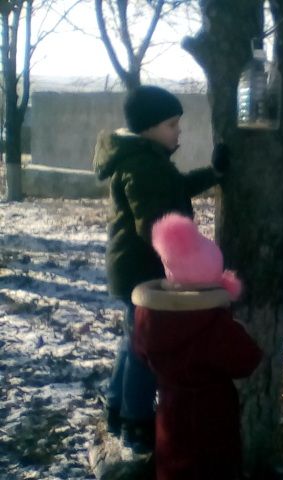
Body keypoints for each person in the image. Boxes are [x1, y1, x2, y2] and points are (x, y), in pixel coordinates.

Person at [93, 85, 229, 452]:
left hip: (133, 268)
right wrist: (184, 260)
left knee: (132, 342)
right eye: (171, 124)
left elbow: (177, 187)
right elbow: (152, 225)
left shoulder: (148, 159)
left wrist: (214, 173)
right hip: (143, 272)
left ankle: (118, 409)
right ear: (148, 127)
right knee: (144, 350)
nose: (178, 131)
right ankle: (136, 424)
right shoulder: (142, 165)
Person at [132, 213, 261, 479]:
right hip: (213, 417)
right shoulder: (214, 324)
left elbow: (141, 353)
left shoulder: (148, 316)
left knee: (172, 466)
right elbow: (247, 360)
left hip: (170, 410)